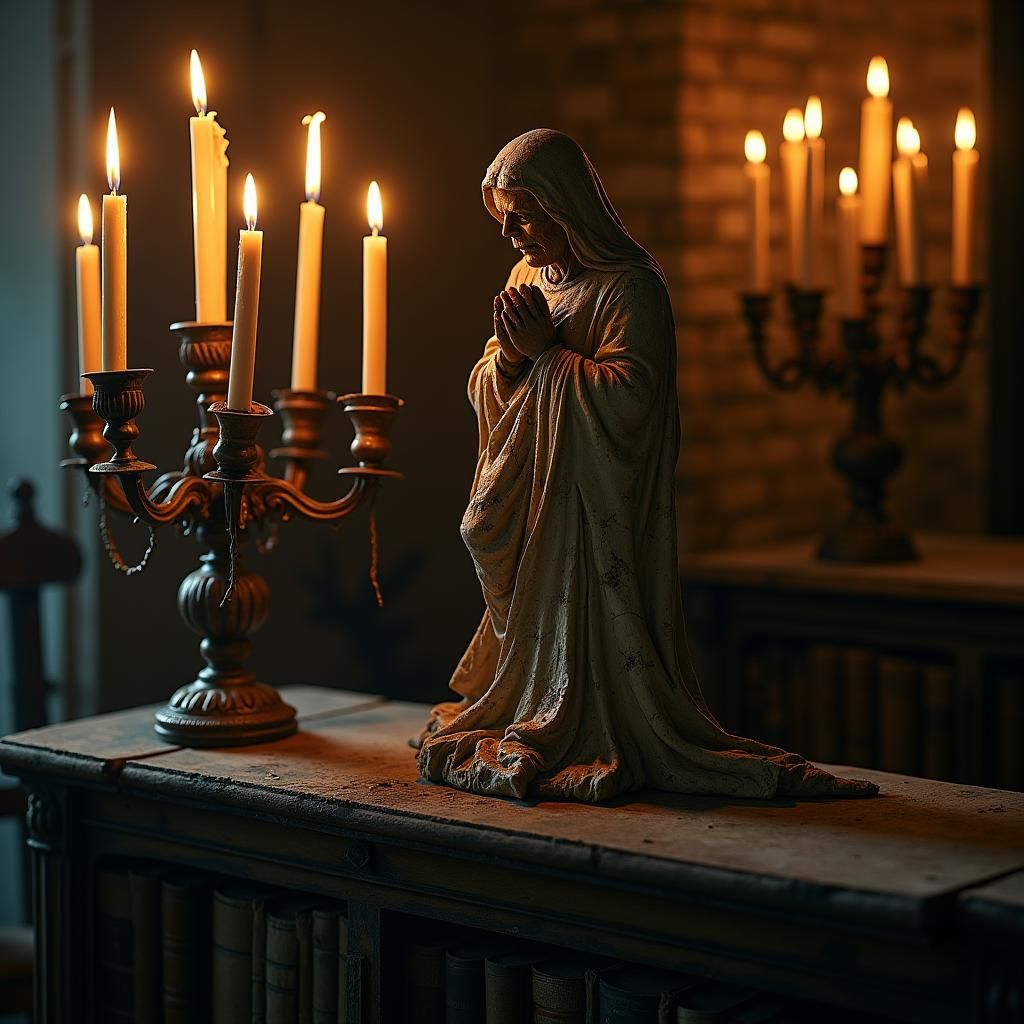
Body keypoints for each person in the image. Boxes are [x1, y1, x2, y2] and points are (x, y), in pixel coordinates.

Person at [416, 129, 877, 803]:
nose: (510, 232)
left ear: (568, 208)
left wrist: (546, 356)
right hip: (533, 487)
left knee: (588, 617)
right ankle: (526, 695)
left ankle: (589, 715)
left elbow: (634, 400)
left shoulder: (630, 289)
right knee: (480, 528)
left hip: (589, 508)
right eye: (505, 216)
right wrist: (511, 360)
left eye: (526, 215)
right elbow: (489, 379)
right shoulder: (524, 279)